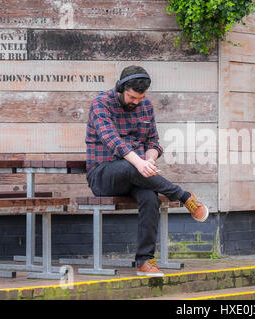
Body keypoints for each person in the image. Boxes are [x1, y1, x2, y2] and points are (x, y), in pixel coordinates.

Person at [85, 65, 209, 277]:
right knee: (129, 166)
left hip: (136, 176)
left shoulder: (146, 106)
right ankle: (183, 196)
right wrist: (138, 162)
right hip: (103, 175)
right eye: (132, 97)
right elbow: (112, 140)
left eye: (140, 98)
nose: (136, 102)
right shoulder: (101, 104)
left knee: (151, 198)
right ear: (120, 89)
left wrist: (149, 159)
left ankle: (144, 261)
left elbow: (153, 141)